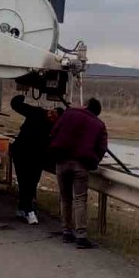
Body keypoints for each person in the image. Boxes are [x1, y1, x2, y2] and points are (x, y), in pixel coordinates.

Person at [48, 97, 108, 249]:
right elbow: (102, 148)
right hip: (81, 164)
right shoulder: (99, 124)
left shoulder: (69, 113)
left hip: (62, 161)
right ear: (97, 112)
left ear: (85, 105)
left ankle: (66, 232)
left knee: (65, 198)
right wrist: (93, 162)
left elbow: (54, 132)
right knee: (80, 199)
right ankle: (81, 236)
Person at [9, 94, 57, 225]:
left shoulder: (55, 126)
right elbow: (16, 105)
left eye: (54, 116)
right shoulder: (37, 112)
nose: (51, 116)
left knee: (31, 182)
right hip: (22, 153)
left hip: (36, 156)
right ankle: (28, 210)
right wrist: (21, 97)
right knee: (24, 181)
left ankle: (24, 208)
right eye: (51, 113)